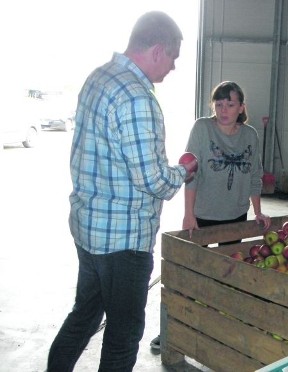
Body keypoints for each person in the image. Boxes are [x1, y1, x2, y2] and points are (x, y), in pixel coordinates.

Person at [47, 11, 197, 372]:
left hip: (90, 230)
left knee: (83, 316)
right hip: (123, 241)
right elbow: (154, 181)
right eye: (174, 57)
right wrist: (184, 171)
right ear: (158, 50)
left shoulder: (99, 77)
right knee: (124, 333)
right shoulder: (136, 97)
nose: (173, 67)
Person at [150, 81, 270, 349]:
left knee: (228, 272)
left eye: (230, 104)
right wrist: (188, 214)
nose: (223, 109)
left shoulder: (250, 135)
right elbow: (191, 172)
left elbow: (254, 175)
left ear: (241, 107)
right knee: (193, 272)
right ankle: (174, 326)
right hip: (203, 215)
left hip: (236, 215)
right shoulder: (202, 128)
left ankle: (218, 324)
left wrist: (258, 212)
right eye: (219, 104)